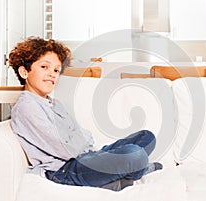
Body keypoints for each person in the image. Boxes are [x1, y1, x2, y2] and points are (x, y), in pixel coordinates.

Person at [9, 37, 162, 191]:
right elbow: (65, 148)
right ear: (24, 72)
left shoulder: (54, 104)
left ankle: (120, 176)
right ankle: (133, 172)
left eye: (56, 70)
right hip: (65, 170)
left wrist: (85, 145)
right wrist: (81, 143)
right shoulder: (27, 107)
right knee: (135, 155)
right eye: (44, 67)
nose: (52, 74)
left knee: (146, 137)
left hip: (85, 157)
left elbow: (80, 134)